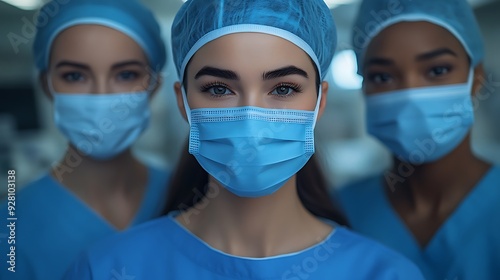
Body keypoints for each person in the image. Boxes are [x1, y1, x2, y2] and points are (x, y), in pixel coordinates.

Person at [63, 0, 424, 279]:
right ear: (183, 102)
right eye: (219, 88)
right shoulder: (107, 268)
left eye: (283, 88)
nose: (252, 116)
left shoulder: (385, 273)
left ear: (319, 102)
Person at [0, 0, 170, 279]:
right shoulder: (11, 229)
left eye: (126, 74)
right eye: (75, 76)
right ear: (48, 86)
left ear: (153, 86)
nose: (100, 95)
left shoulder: (188, 197)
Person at [336, 0, 500, 279]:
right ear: (364, 89)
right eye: (382, 76)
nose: (410, 95)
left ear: (476, 79)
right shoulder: (338, 213)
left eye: (437, 71)